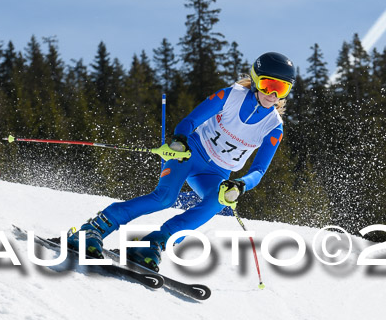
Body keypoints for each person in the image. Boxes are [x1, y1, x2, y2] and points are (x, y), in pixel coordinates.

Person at [66, 51, 295, 272]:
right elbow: (189, 122)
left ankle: (154, 243)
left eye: (281, 88)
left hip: (217, 173)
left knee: (218, 201)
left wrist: (240, 184)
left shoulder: (273, 127)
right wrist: (179, 141)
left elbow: (258, 170)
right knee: (165, 197)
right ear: (255, 81)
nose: (273, 94)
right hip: (191, 153)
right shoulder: (230, 96)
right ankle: (93, 229)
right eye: (268, 85)